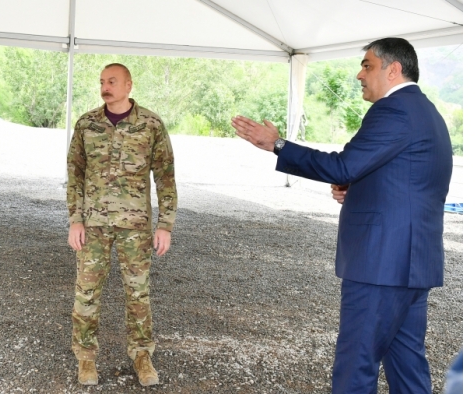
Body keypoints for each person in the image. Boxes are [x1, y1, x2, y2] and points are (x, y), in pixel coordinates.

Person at [231, 37, 452, 393]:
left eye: (367, 66)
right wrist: (357, 188)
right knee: (407, 366)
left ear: (393, 70)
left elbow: (343, 165)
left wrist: (277, 144)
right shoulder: (425, 111)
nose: (359, 75)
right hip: (412, 265)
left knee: (356, 365)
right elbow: (409, 181)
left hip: (381, 264)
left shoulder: (393, 110)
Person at [67, 63, 177, 387]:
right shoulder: (87, 124)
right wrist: (75, 219)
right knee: (86, 293)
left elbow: (166, 177)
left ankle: (142, 356)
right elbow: (74, 174)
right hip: (94, 224)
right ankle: (86, 359)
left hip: (135, 226)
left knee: (138, 294)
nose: (106, 86)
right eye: (102, 82)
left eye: (112, 81)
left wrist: (165, 224)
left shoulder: (151, 124)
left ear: (129, 85)